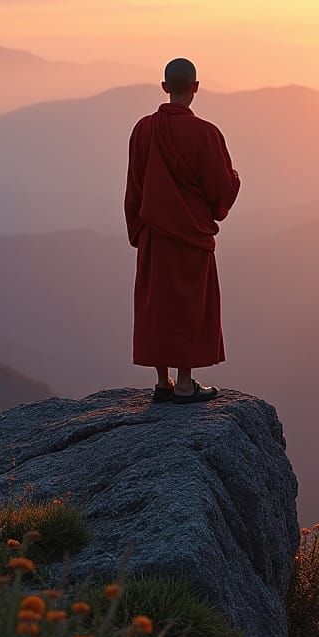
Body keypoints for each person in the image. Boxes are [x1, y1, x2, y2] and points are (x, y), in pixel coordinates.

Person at [125, 58, 241, 403]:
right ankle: (187, 383)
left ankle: (163, 382)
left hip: (154, 233)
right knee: (190, 306)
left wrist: (138, 229)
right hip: (191, 234)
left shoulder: (144, 130)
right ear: (195, 87)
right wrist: (235, 182)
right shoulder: (206, 133)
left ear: (164, 87)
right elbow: (221, 187)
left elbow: (135, 186)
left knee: (156, 304)